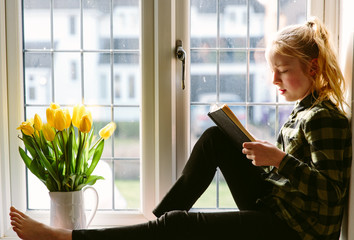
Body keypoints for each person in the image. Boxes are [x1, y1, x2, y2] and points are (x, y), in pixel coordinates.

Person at [9, 16, 351, 240]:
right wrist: (262, 153)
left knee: (181, 225)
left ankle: (68, 238)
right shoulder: (303, 110)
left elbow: (332, 194)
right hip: (278, 208)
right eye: (271, 70)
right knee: (216, 137)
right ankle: (156, 228)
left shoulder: (324, 118)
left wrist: (278, 160)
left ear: (313, 66)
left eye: (283, 70)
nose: (274, 79)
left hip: (295, 231)